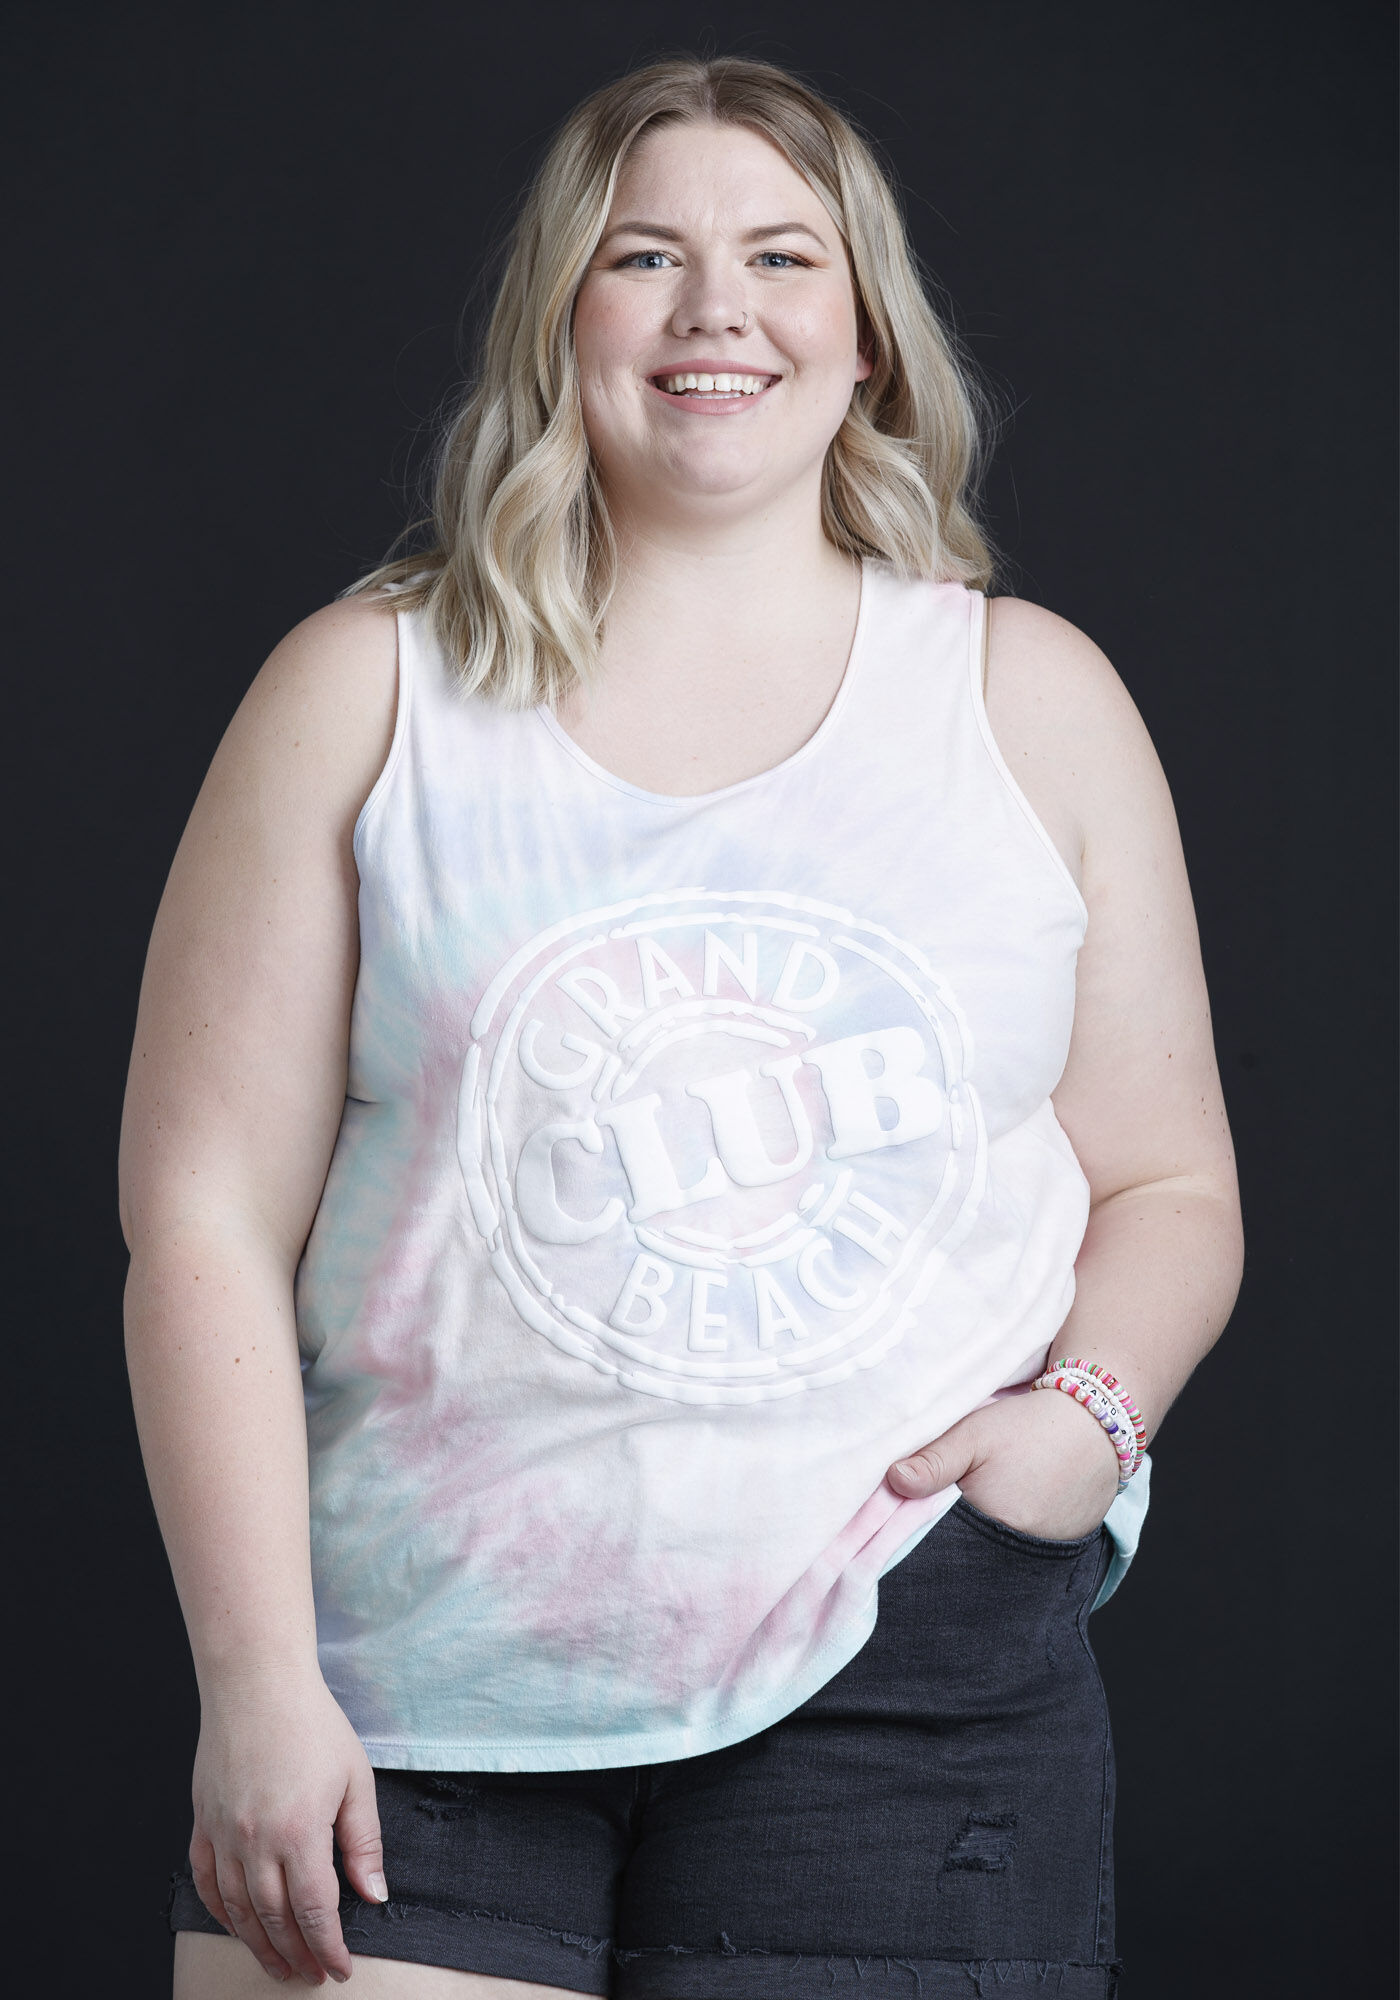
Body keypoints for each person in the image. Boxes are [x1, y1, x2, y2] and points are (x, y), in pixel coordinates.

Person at [120, 54, 1243, 2000]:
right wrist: (256, 1680)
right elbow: (203, 1214)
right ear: (561, 316)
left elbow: (1170, 1183)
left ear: (865, 334)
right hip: (407, 1700)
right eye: (646, 256)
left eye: (781, 256)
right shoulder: (367, 690)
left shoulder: (1029, 699)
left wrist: (1084, 1429)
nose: (717, 308)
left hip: (908, 1686)